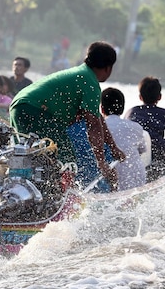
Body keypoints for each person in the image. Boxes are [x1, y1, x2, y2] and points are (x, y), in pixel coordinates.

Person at [9, 41, 126, 188]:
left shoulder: (81, 74)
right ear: (108, 68)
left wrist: (113, 148)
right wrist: (101, 162)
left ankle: (15, 185)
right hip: (35, 109)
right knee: (66, 158)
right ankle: (58, 196)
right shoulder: (90, 82)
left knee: (27, 153)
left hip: (18, 106)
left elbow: (98, 120)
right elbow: (94, 126)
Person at [101, 87, 148, 191]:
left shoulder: (97, 128)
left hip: (112, 182)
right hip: (136, 178)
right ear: (122, 109)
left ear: (102, 109)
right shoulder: (136, 127)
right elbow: (142, 151)